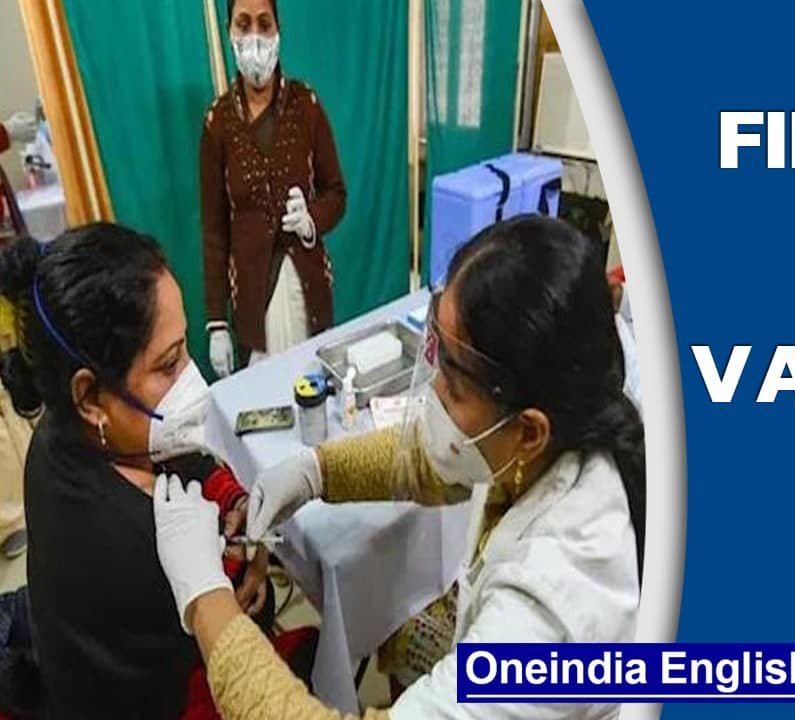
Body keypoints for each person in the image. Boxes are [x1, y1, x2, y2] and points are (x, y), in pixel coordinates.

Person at [153, 216, 645, 719]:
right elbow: (430, 459)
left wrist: (206, 598)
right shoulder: (570, 408)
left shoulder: (548, 618)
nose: (434, 394)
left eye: (454, 389)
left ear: (529, 431)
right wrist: (315, 471)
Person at [0, 225, 313, 718]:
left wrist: (233, 499)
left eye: (184, 348)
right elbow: (228, 660)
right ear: (90, 397)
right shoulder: (127, 540)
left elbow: (181, 455)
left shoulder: (64, 435)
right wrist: (226, 584)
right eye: (169, 364)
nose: (192, 379)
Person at [202, 0, 346, 377]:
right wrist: (217, 323)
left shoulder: (306, 105)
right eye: (243, 24)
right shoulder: (217, 122)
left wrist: (311, 220)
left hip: (307, 287)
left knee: (313, 386)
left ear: (278, 32)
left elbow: (336, 193)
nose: (254, 37)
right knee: (267, 394)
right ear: (229, 32)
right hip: (253, 299)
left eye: (264, 24)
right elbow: (214, 232)